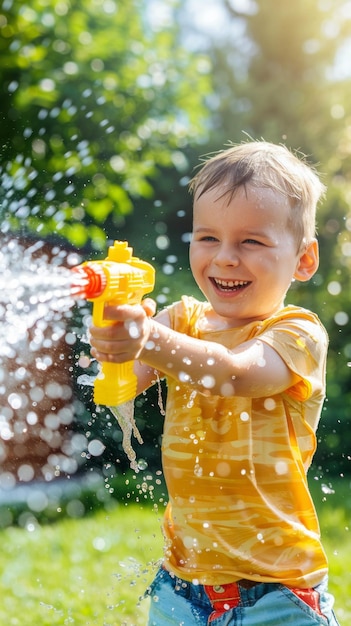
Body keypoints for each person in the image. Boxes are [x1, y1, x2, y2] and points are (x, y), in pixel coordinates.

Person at [89, 141, 340, 625]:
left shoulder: (298, 333)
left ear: (304, 260)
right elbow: (119, 386)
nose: (225, 258)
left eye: (251, 242)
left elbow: (233, 372)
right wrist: (112, 336)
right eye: (207, 238)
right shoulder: (180, 321)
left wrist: (147, 337)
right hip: (182, 588)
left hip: (275, 592)